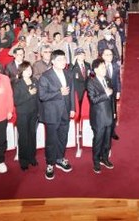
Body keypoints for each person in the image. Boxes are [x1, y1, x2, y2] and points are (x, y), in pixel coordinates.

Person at [38, 49, 76, 180]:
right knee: (51, 140)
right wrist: (59, 93)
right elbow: (42, 96)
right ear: (53, 61)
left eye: (64, 59)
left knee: (63, 137)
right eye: (60, 59)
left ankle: (60, 158)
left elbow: (71, 92)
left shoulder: (68, 73)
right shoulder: (45, 76)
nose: (63, 61)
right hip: (52, 113)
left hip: (66, 111)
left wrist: (72, 108)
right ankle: (50, 163)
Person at [86, 58, 116, 174]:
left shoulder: (107, 79)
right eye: (102, 67)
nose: (105, 69)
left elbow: (112, 98)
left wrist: (114, 112)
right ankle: (96, 161)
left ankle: (105, 158)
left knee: (107, 141)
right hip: (98, 117)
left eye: (105, 67)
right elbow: (93, 100)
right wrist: (105, 94)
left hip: (109, 115)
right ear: (95, 69)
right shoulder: (91, 82)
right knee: (98, 140)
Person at [12, 62, 39, 170]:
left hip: (34, 112)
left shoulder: (35, 80)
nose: (29, 71)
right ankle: (23, 160)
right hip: (23, 113)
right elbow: (16, 101)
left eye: (30, 69)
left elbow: (38, 97)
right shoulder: (17, 83)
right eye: (26, 70)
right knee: (23, 137)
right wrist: (29, 94)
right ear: (21, 71)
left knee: (32, 135)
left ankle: (32, 157)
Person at [101, 48, 121, 140]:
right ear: (103, 56)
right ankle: (105, 132)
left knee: (114, 112)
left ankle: (112, 131)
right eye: (107, 55)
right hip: (103, 94)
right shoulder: (99, 66)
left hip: (113, 92)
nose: (109, 56)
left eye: (111, 55)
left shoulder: (115, 66)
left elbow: (118, 79)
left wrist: (118, 91)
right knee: (104, 112)